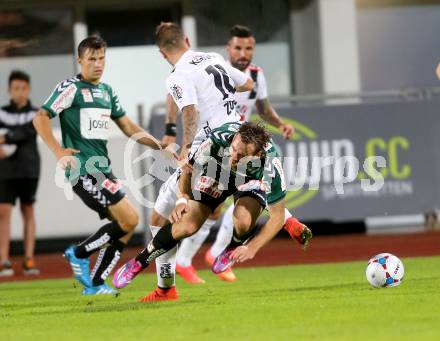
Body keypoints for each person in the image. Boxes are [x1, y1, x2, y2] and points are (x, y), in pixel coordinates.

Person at [115, 22, 254, 302]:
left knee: (162, 217)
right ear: (187, 40)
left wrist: (187, 147)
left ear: (162, 53)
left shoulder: (177, 75)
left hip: (209, 150)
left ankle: (165, 288)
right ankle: (211, 257)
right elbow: (247, 84)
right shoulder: (214, 58)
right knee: (194, 218)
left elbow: (189, 111)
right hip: (237, 142)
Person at [170, 24, 311, 284]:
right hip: (216, 145)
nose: (243, 53)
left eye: (249, 48)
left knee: (242, 195)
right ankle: (187, 261)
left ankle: (198, 259)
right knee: (212, 207)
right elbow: (177, 97)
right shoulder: (215, 69)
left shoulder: (256, 76)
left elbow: (264, 108)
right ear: (228, 49)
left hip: (242, 148)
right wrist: (173, 131)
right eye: (238, 47)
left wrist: (280, 125)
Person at [33, 36, 166, 295]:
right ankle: (78, 253)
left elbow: (128, 127)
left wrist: (161, 147)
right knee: (129, 219)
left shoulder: (107, 92)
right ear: (80, 60)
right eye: (92, 58)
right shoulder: (70, 88)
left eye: (101, 58)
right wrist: (58, 151)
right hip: (83, 168)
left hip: (103, 170)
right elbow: (40, 117)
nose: (98, 63)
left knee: (128, 224)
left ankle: (94, 283)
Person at [114, 122, 280, 298]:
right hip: (218, 174)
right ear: (233, 139)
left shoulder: (271, 162)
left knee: (243, 220)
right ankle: (139, 262)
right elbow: (188, 169)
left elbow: (278, 216)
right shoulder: (217, 140)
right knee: (187, 226)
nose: (234, 158)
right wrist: (182, 198)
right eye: (234, 150)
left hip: (250, 182)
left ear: (258, 154)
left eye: (242, 156)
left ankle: (234, 246)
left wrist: (252, 247)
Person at [0, 70, 40, 276]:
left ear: (29, 89)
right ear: (9, 90)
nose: (20, 92)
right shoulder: (2, 112)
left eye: (23, 88)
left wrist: (5, 139)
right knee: (3, 212)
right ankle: (4, 260)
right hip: (5, 170)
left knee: (28, 211)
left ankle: (29, 259)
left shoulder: (36, 113)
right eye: (16, 88)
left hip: (28, 168)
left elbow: (26, 132)